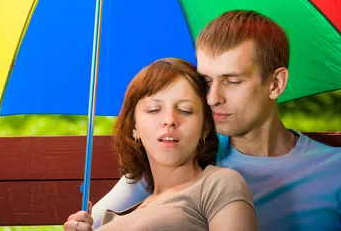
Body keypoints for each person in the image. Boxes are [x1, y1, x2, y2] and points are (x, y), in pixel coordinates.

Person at [68, 10, 341, 230]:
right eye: (206, 81)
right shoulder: (184, 151)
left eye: (232, 81)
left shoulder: (333, 169)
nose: (212, 98)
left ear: (275, 83)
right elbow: (94, 220)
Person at [64, 57, 257, 230]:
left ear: (205, 127)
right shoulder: (115, 215)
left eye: (185, 110)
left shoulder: (218, 184)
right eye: (154, 109)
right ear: (134, 127)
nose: (170, 119)